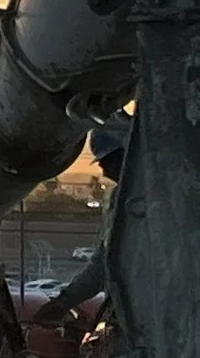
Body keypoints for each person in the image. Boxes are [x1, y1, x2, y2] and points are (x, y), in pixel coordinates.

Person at [37, 113, 131, 328]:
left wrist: (64, 302)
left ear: (130, 153)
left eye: (110, 161)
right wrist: (64, 302)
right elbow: (104, 264)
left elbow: (104, 266)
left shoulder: (135, 201)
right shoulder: (124, 199)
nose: (105, 171)